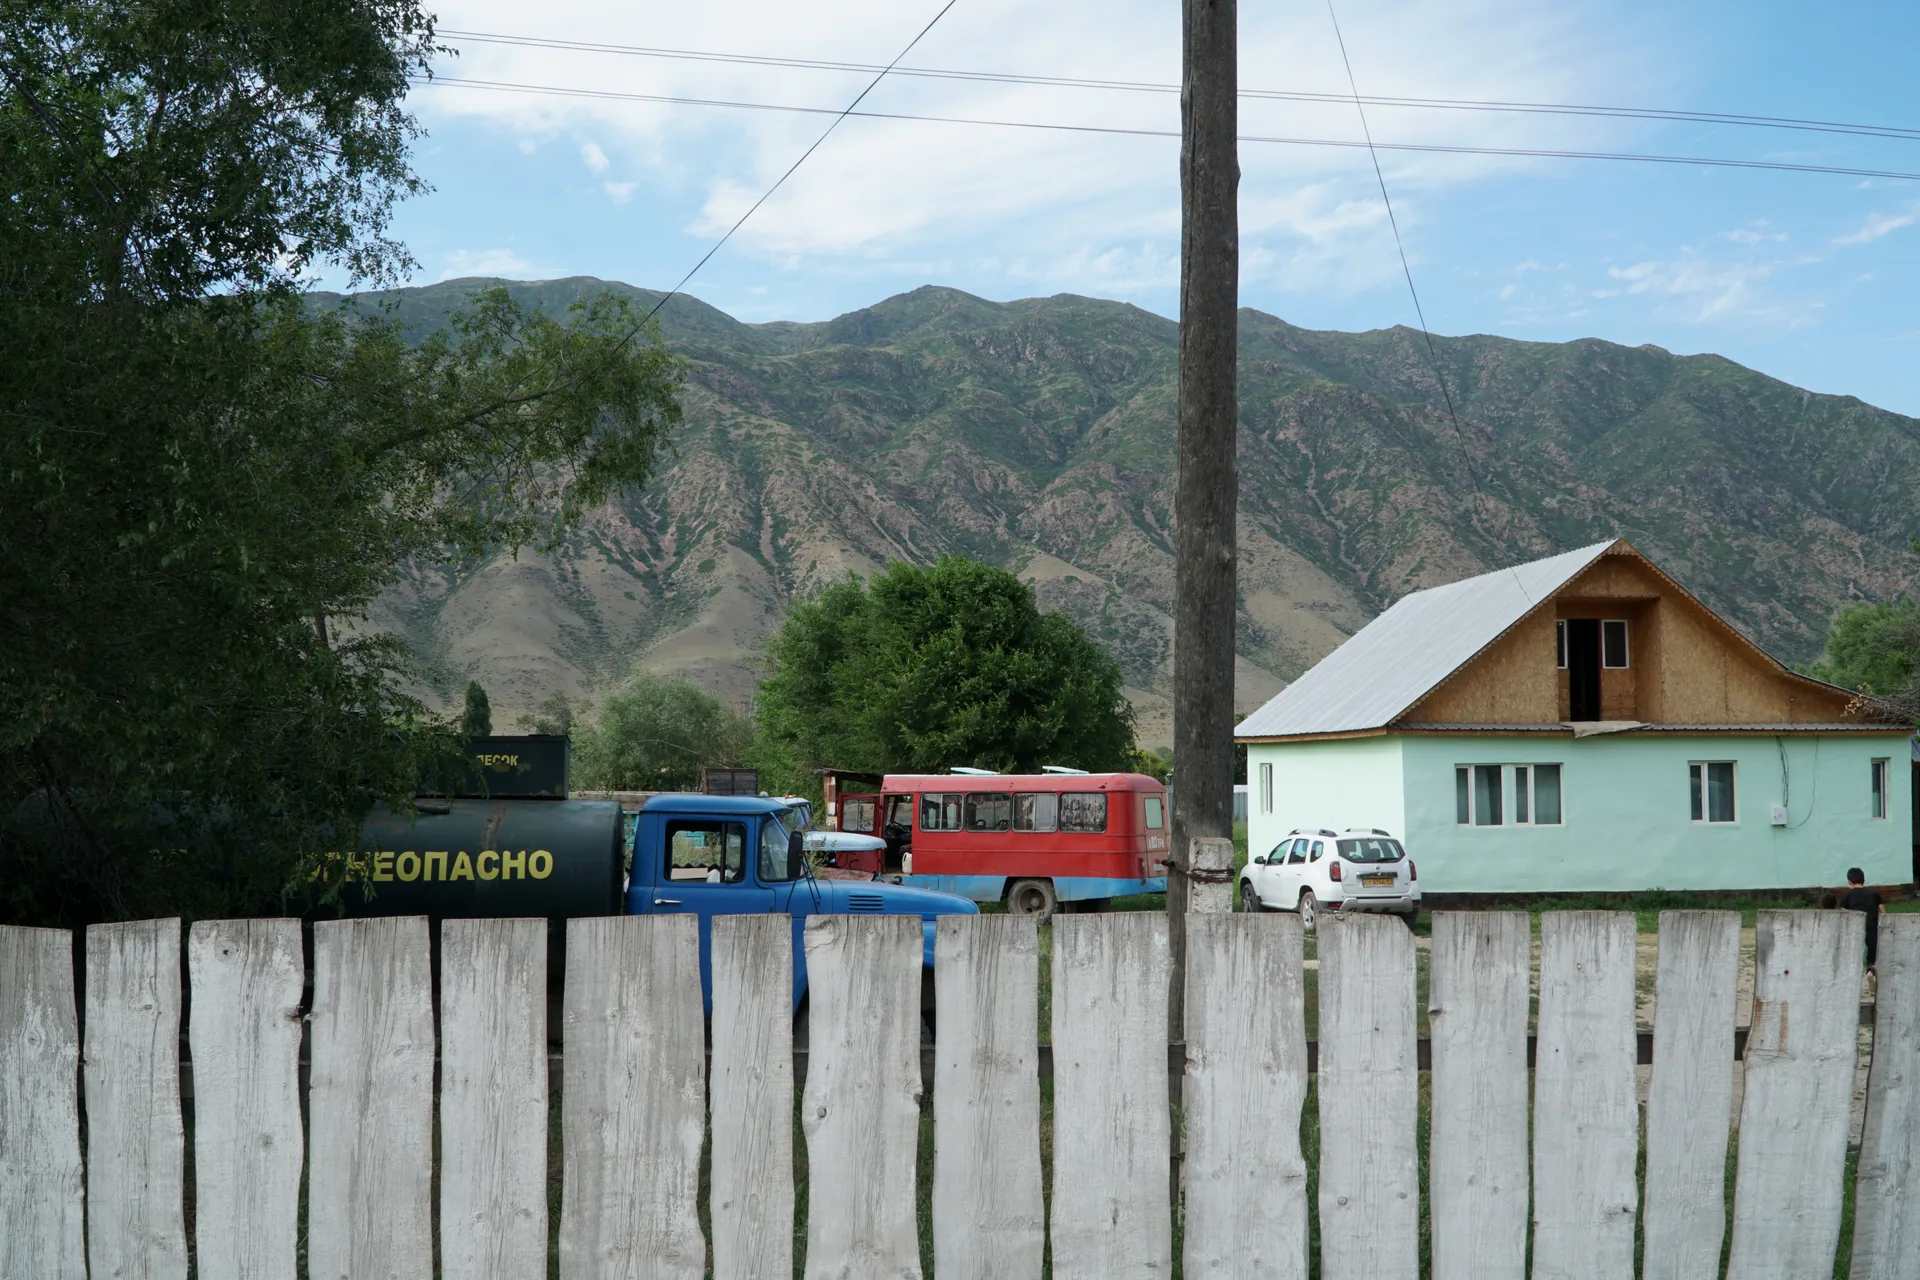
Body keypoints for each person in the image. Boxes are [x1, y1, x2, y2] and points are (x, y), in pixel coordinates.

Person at [1839, 867, 1885, 972]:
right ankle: (1870, 970)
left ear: (1849, 882)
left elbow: (1843, 916)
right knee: (1871, 952)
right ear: (1863, 881)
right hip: (1872, 926)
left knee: (1855, 951)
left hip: (1855, 928)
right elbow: (1883, 913)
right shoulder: (1874, 894)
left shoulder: (1847, 895)